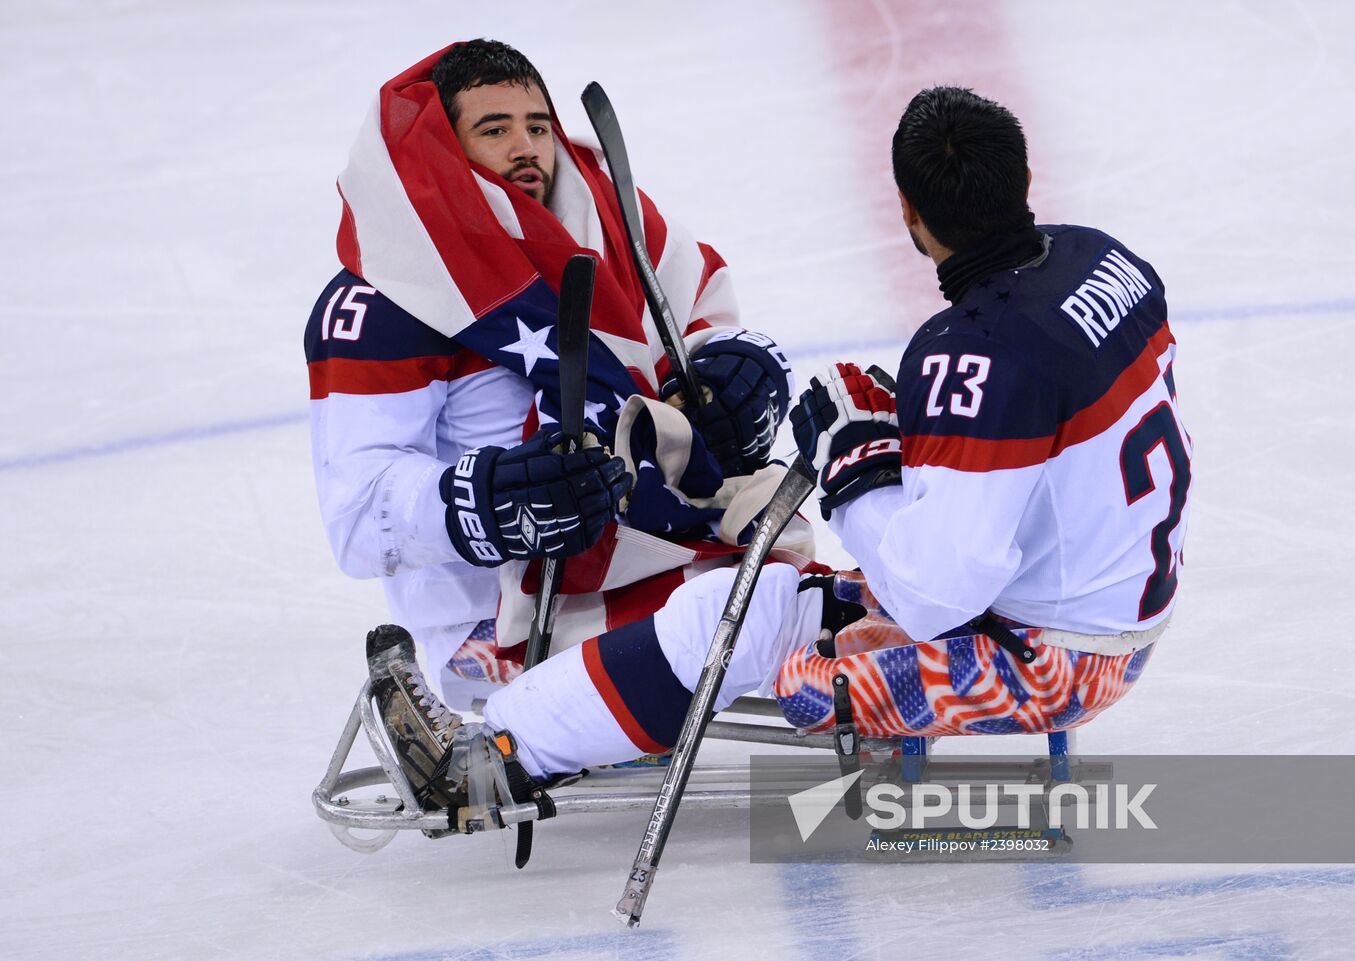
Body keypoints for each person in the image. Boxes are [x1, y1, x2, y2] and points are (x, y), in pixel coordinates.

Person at [365, 85, 1191, 826]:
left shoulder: (971, 352)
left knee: (798, 673)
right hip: (1082, 602)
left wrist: (854, 463)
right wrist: (908, 436)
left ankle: (493, 759)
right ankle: (499, 748)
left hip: (1050, 655)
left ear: (906, 209)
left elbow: (934, 595)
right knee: (738, 606)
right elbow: (1041, 455)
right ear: (1022, 182)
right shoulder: (1100, 257)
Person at [304, 37, 799, 728]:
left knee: (793, 598)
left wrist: (739, 370)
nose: (527, 147)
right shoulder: (387, 292)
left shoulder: (606, 221)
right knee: (767, 616)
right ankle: (502, 748)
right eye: (495, 129)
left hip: (653, 542)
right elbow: (356, 518)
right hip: (494, 622)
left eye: (537, 125)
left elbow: (704, 308)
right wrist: (486, 500)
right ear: (447, 146)